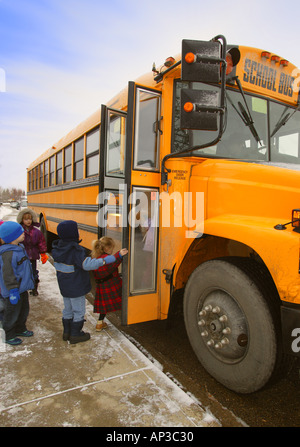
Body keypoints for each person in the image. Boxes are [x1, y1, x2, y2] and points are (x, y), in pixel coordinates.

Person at [52, 220, 116, 344]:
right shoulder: (75, 250)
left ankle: (67, 332)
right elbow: (87, 265)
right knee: (78, 310)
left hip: (64, 286)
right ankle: (76, 334)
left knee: (68, 309)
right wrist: (105, 260)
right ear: (73, 234)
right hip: (76, 286)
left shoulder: (58, 248)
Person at [0, 221, 35, 345]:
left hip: (22, 288)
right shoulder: (8, 253)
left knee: (23, 309)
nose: (23, 234)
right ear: (12, 237)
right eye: (20, 233)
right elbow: (7, 274)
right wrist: (12, 290)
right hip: (13, 291)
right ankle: (8, 334)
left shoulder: (19, 247)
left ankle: (20, 328)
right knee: (11, 312)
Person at [91, 237, 128, 331]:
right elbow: (113, 262)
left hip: (102, 286)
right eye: (112, 248)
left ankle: (99, 323)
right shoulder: (106, 259)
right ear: (107, 248)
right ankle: (130, 315)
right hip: (111, 284)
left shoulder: (97, 258)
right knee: (123, 297)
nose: (112, 250)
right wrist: (119, 254)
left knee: (103, 305)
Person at [17, 208, 48, 296]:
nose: (28, 221)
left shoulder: (36, 232)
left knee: (33, 271)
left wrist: (43, 253)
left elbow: (41, 242)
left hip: (33, 255)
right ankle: (23, 288)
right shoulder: (19, 231)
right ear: (22, 220)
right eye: (26, 219)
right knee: (23, 272)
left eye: (30, 219)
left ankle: (34, 288)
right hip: (22, 256)